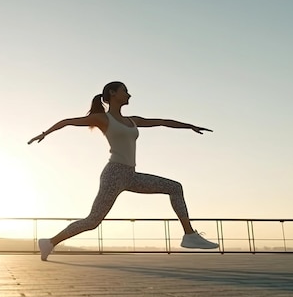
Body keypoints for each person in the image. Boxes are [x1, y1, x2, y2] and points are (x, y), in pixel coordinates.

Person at [28, 81, 219, 261]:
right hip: (114, 174)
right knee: (93, 221)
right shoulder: (103, 118)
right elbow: (68, 121)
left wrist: (189, 126)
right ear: (112, 93)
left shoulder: (132, 120)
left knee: (175, 187)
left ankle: (189, 235)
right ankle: (50, 242)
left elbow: (161, 121)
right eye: (124, 90)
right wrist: (45, 133)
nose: (129, 94)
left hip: (131, 175)